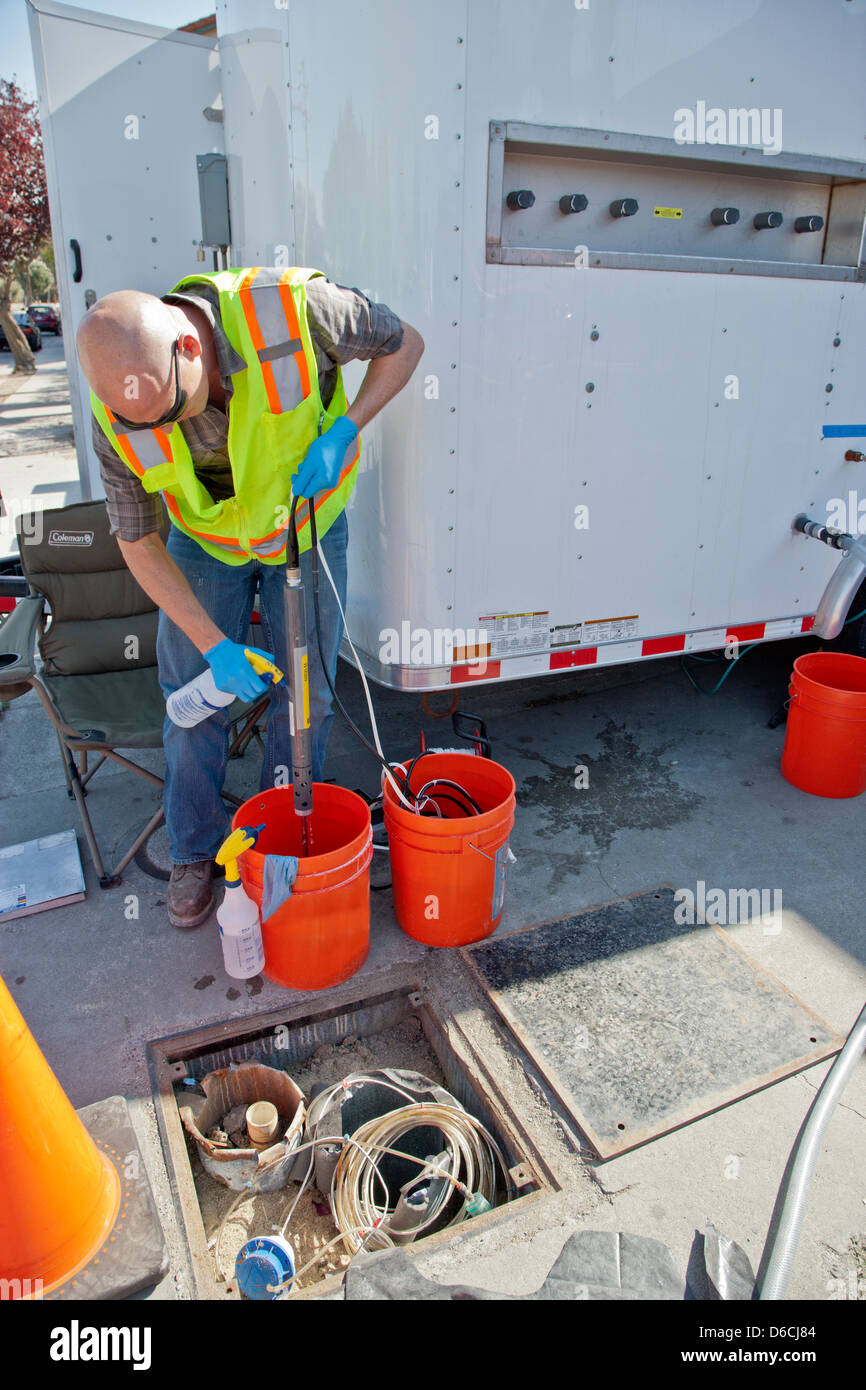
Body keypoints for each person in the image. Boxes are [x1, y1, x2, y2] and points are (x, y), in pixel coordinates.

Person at [76, 266, 423, 927]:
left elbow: (405, 345)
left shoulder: (294, 310)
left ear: (189, 347)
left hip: (306, 523)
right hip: (207, 542)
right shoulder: (114, 410)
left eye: (177, 411)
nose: (173, 430)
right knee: (193, 699)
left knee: (307, 694)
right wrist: (215, 648)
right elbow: (137, 542)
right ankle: (195, 848)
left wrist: (348, 427)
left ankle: (274, 838)